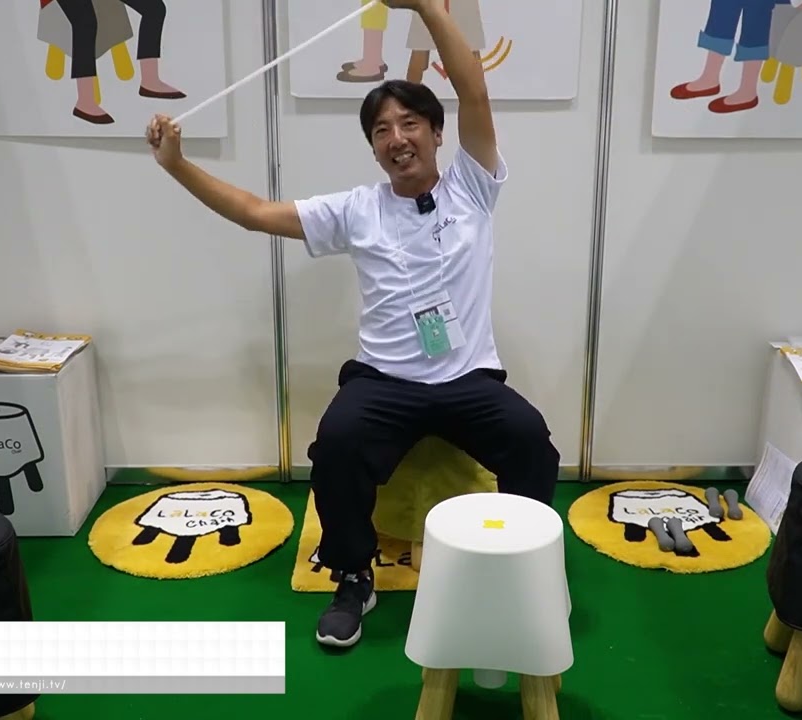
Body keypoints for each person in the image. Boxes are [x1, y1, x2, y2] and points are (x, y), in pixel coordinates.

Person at [145, 0, 559, 649]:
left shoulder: (472, 188)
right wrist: (176, 166)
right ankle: (353, 576)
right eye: (382, 130)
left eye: (410, 123)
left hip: (468, 378)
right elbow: (253, 212)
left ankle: (519, 566)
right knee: (336, 445)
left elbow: (474, 89)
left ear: (437, 133)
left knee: (532, 443)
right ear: (374, 148)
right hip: (383, 380)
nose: (397, 138)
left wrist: (426, 7)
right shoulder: (356, 209)